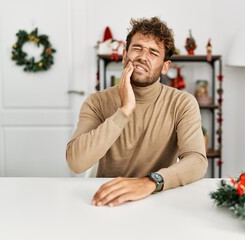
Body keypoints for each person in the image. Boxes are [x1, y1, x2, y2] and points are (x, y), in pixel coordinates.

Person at [66, 16, 207, 207]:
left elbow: (197, 161)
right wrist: (124, 110)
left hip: (158, 198)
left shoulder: (182, 103)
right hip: (107, 199)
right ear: (125, 55)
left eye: (153, 52)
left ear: (165, 66)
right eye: (137, 48)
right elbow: (77, 162)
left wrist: (149, 182)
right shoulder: (97, 101)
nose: (142, 56)